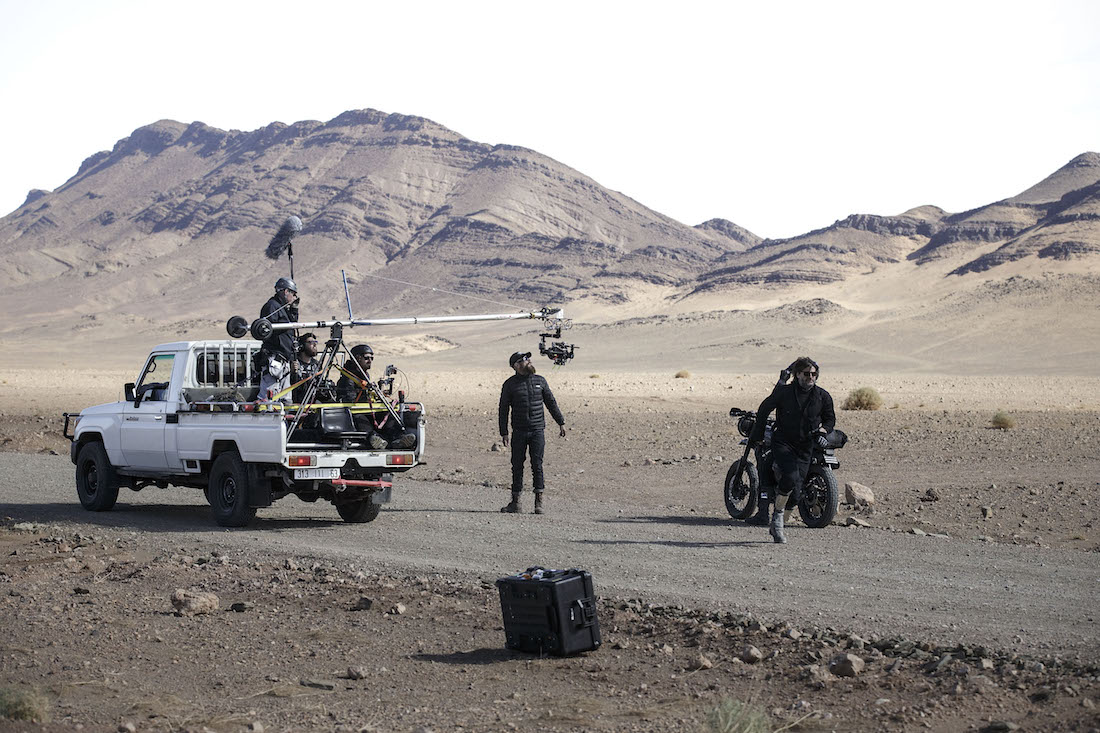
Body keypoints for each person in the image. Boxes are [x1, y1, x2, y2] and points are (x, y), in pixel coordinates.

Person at [747, 356, 835, 544]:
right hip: (784, 442)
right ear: (797, 375)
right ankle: (778, 518)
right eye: (806, 373)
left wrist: (823, 430)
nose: (811, 377)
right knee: (790, 476)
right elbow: (764, 408)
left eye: (814, 374)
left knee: (796, 492)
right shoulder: (784, 392)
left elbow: (830, 419)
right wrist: (758, 434)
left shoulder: (822, 396)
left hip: (806, 445)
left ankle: (777, 520)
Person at [498, 351, 566, 515]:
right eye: (524, 360)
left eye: (528, 359)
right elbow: (503, 409)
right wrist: (504, 432)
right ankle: (516, 503)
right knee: (517, 466)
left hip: (537, 430)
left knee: (537, 465)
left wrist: (561, 422)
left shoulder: (540, 381)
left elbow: (551, 402)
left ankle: (539, 503)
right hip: (519, 432)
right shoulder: (510, 384)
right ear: (516, 366)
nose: (528, 361)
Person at [336, 344, 416, 450]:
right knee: (361, 419)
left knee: (388, 415)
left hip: (368, 408)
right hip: (355, 411)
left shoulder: (364, 375)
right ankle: (373, 439)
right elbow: (350, 399)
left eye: (371, 358)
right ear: (357, 358)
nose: (370, 361)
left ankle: (398, 438)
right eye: (366, 358)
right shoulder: (348, 378)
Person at [257, 277, 299, 404]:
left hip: (283, 360)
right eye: (293, 293)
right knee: (269, 399)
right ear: (285, 291)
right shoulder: (272, 306)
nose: (294, 297)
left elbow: (292, 326)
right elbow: (267, 329)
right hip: (274, 359)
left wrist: (294, 309)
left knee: (286, 399)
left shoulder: (283, 308)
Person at [291, 332, 322, 404]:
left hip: (312, 402)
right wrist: (292, 372)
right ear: (302, 346)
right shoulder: (294, 363)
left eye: (315, 342)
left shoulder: (316, 365)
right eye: (311, 342)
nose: (314, 345)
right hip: (296, 403)